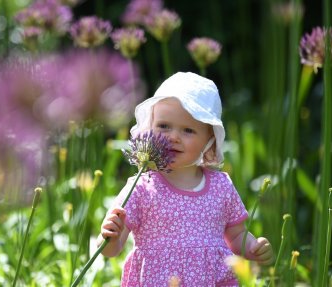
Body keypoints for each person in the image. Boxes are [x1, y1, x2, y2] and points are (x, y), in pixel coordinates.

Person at [97, 72, 273, 286]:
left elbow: (236, 236)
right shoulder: (141, 187)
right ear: (150, 128)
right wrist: (109, 236)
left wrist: (254, 248)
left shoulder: (221, 186)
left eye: (188, 130)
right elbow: (111, 250)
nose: (173, 137)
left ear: (209, 141)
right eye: (163, 126)